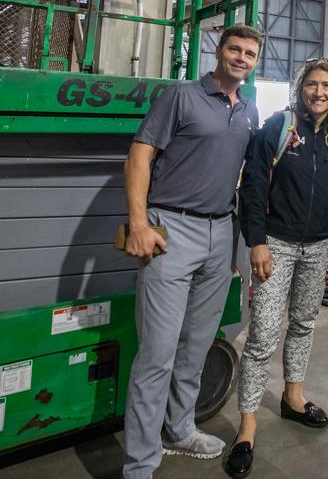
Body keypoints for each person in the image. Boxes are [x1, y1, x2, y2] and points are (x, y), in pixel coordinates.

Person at [121, 25, 262, 479]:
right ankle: (140, 463)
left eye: (250, 53)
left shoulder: (249, 112)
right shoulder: (181, 96)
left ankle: (179, 429)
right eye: (235, 49)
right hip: (171, 229)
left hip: (222, 233)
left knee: (197, 343)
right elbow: (140, 155)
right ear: (218, 52)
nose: (242, 58)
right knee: (157, 353)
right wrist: (140, 224)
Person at [224, 58, 328, 477]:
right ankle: (247, 426)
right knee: (262, 334)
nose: (319, 92)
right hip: (276, 243)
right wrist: (256, 241)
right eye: (312, 85)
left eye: (327, 86)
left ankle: (293, 398)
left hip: (321, 246)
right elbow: (254, 184)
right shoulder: (279, 129)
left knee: (303, 324)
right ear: (301, 88)